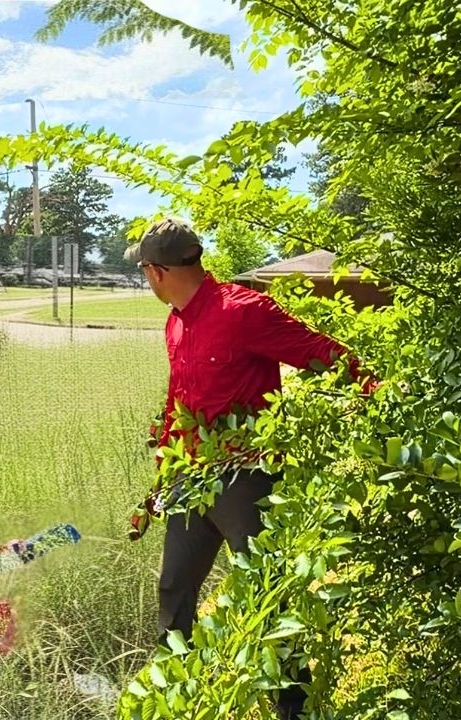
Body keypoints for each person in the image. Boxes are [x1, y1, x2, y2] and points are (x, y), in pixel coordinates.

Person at [126, 218, 376, 719]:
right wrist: (160, 479)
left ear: (156, 272)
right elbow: (180, 401)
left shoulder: (243, 311)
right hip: (191, 479)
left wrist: (378, 391)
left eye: (144, 271)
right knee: (175, 589)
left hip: (248, 479)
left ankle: (292, 710)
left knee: (269, 597)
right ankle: (178, 697)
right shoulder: (175, 322)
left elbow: (318, 352)